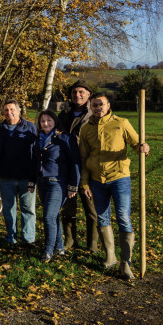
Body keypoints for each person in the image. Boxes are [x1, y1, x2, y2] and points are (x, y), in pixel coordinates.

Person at [79, 93, 150, 279]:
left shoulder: (122, 123)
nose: (97, 108)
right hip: (96, 180)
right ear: (90, 107)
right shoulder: (85, 130)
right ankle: (110, 257)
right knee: (102, 218)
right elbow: (84, 159)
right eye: (94, 105)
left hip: (119, 177)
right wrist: (85, 182)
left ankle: (126, 262)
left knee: (123, 218)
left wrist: (143, 148)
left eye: (101, 104)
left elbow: (136, 143)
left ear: (108, 105)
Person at [33, 110, 81, 262]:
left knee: (48, 217)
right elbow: (34, 161)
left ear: (55, 121)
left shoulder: (65, 138)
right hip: (42, 181)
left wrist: (74, 185)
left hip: (58, 182)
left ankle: (48, 250)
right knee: (53, 216)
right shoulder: (38, 139)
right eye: (42, 121)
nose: (45, 123)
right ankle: (60, 247)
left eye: (49, 120)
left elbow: (75, 162)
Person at [58, 80, 98, 251]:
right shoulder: (63, 115)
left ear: (88, 94)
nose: (78, 95)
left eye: (81, 92)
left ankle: (92, 244)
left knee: (91, 208)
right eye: (74, 92)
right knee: (68, 207)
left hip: (88, 167)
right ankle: (70, 240)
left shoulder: (94, 115)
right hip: (66, 167)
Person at [0, 99, 37, 245]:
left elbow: (36, 152)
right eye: (6, 110)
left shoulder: (30, 127)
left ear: (19, 110)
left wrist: (34, 174)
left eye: (12, 109)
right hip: (6, 176)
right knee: (8, 209)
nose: (9, 112)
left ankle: (28, 239)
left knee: (28, 209)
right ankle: (11, 238)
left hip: (26, 176)